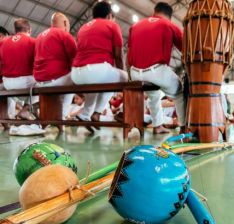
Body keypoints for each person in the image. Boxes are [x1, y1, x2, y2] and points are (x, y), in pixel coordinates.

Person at [127, 2, 185, 134]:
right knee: (179, 93)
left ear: (155, 11)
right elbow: (186, 50)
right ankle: (183, 127)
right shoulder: (168, 24)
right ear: (169, 16)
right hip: (155, 71)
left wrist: (130, 76)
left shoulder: (135, 26)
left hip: (135, 72)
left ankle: (157, 125)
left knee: (154, 96)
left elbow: (128, 55)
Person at [71, 0, 127, 128]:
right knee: (120, 77)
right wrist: (122, 77)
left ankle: (85, 114)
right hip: (97, 71)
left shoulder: (82, 28)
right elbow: (119, 56)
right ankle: (97, 112)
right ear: (109, 16)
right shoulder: (112, 25)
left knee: (98, 84)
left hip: (76, 74)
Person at [34, 12, 77, 119]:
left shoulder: (39, 36)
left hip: (39, 82)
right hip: (56, 80)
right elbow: (75, 60)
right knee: (75, 78)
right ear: (65, 23)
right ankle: (62, 116)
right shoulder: (64, 35)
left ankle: (52, 113)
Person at [0, 19, 38, 120]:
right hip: (26, 83)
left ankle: (4, 118)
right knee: (44, 82)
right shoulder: (33, 41)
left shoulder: (3, 42)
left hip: (7, 83)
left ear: (15, 30)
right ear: (29, 30)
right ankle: (25, 110)